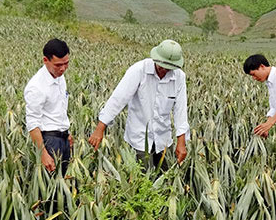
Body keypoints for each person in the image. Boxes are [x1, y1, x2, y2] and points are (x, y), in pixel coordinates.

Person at [88, 39, 189, 168]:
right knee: (141, 179)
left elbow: (180, 110)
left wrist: (181, 142)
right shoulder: (138, 70)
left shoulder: (179, 77)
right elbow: (118, 99)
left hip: (163, 139)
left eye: (169, 68)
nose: (164, 71)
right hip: (139, 138)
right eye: (161, 66)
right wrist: (100, 128)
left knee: (165, 179)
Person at [24, 38, 72, 173]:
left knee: (65, 181)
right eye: (58, 65)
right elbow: (33, 123)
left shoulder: (59, 77)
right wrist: (43, 154)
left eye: (66, 63)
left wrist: (66, 133)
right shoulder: (36, 87)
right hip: (49, 142)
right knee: (50, 185)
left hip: (63, 139)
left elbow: (59, 107)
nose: (63, 69)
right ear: (46, 60)